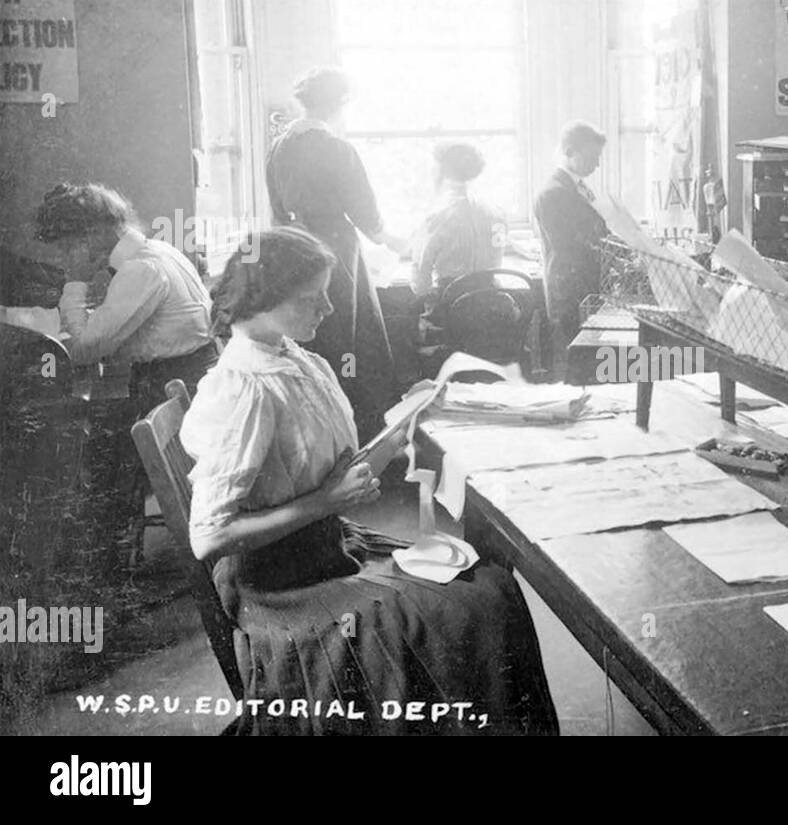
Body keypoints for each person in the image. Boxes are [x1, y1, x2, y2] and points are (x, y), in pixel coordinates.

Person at [180, 227, 559, 735]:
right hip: (279, 586)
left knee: (488, 583)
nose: (328, 309)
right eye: (312, 298)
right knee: (478, 605)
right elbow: (209, 538)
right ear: (264, 300)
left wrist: (404, 422)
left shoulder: (293, 358)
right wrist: (325, 501)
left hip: (328, 549)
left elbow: (326, 471)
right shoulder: (243, 391)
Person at [34, 182, 218, 572]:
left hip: (169, 398)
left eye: (68, 247)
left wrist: (75, 281)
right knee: (96, 437)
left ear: (93, 234)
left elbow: (84, 348)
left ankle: (101, 570)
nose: (67, 257)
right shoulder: (160, 252)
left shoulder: (140, 270)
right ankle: (104, 556)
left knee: (87, 454)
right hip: (184, 386)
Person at [266, 66, 406, 439]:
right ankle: (360, 432)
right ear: (340, 103)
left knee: (314, 341)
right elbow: (365, 212)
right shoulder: (338, 148)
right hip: (337, 252)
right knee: (352, 342)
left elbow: (276, 211)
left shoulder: (279, 148)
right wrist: (391, 240)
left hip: (293, 251)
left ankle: (320, 435)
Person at [533, 120, 609, 379]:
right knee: (575, 359)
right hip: (569, 288)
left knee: (592, 358)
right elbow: (567, 247)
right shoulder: (553, 193)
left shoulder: (579, 188)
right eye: (591, 157)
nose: (597, 165)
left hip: (587, 284)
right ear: (569, 151)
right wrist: (608, 255)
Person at [412, 141, 506, 306]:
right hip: (491, 309)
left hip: (452, 315)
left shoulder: (437, 216)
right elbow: (496, 262)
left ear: (441, 171)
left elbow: (421, 285)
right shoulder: (496, 212)